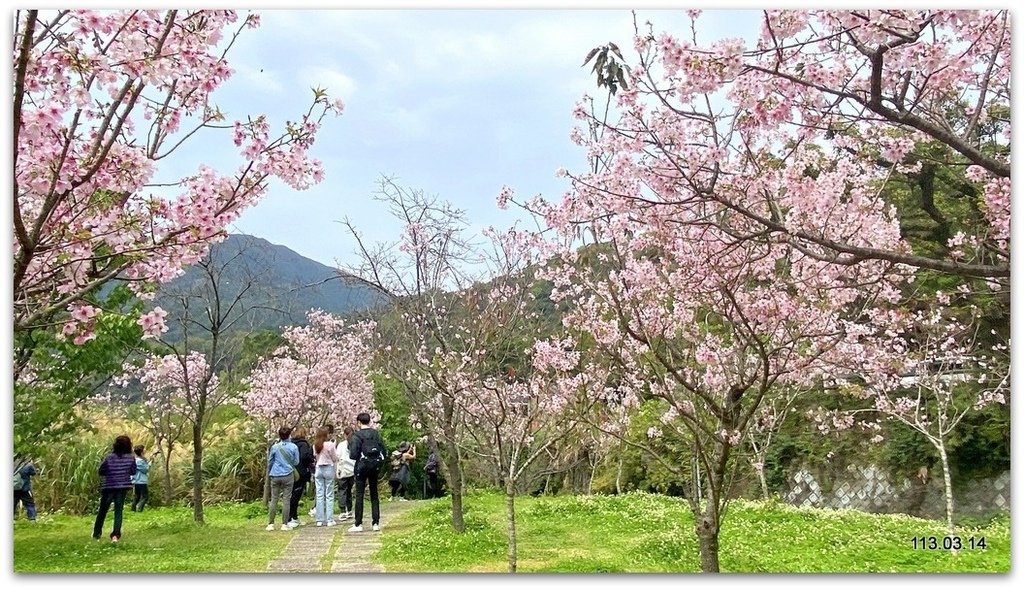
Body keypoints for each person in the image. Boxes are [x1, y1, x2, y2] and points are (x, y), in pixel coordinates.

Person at [348, 412, 387, 533]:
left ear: (359, 422)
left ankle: (358, 524)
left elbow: (353, 455)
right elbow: (384, 450)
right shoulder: (376, 434)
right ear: (369, 421)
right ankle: (376, 522)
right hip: (374, 466)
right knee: (374, 494)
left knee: (359, 494)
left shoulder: (356, 436)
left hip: (361, 466)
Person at [93, 435, 137, 542]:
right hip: (122, 487)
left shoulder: (109, 457)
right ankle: (115, 535)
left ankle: (97, 533)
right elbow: (133, 471)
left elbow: (101, 471)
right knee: (118, 510)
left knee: (103, 510)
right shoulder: (131, 458)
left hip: (109, 486)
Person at [266, 426, 299, 531]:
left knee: (274, 499)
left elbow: (270, 461)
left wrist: (271, 470)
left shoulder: (275, 447)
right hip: (288, 474)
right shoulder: (293, 447)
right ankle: (284, 524)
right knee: (286, 499)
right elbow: (296, 462)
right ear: (289, 435)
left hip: (275, 474)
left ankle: (270, 524)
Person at [287, 426, 314, 527]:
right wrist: (311, 459)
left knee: (292, 494)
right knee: (296, 495)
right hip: (300, 472)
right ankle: (291, 516)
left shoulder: (291, 443)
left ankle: (293, 516)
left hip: (291, 471)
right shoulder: (303, 444)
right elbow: (304, 456)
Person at [312, 425, 338, 526]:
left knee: (319, 494)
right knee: (329, 494)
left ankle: (319, 519)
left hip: (318, 469)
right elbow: (334, 458)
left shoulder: (315, 445)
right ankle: (329, 519)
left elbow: (315, 456)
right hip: (328, 468)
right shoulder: (330, 445)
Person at [336, 426, 356, 520]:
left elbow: (337, 456)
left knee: (342, 490)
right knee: (349, 491)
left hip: (343, 470)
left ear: (344, 434)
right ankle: (350, 510)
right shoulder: (355, 443)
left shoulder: (341, 445)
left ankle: (343, 510)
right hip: (352, 470)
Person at [131, 445, 150, 512]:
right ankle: (139, 507)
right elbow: (145, 469)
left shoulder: (135, 460)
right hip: (141, 481)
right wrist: (150, 463)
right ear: (141, 452)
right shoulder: (139, 461)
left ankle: (133, 510)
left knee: (137, 496)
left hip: (136, 481)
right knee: (145, 496)